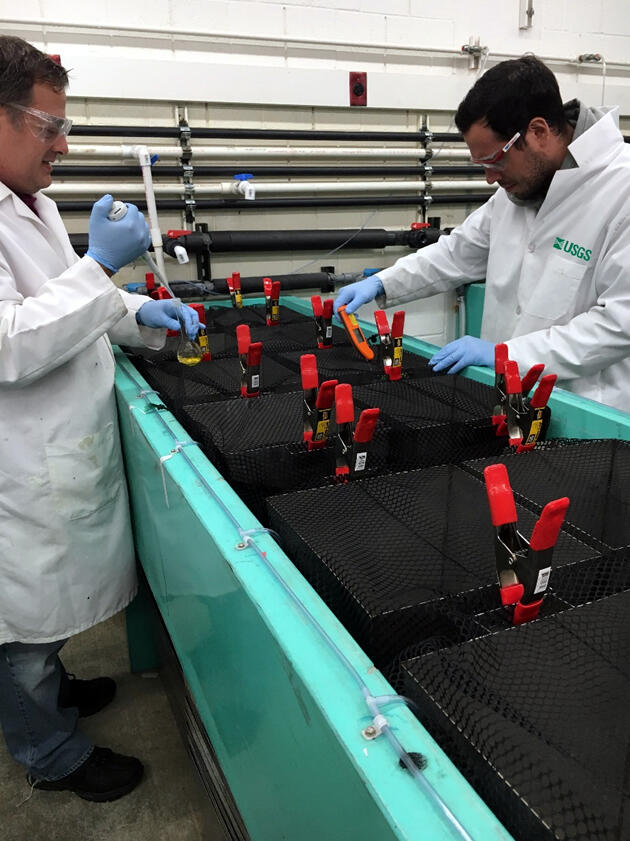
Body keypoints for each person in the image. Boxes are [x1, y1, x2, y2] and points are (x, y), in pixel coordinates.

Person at [0, 36, 200, 802]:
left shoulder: (36, 204)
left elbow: (77, 306)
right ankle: (48, 750)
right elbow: (13, 341)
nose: (63, 143)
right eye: (46, 127)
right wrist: (99, 267)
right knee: (17, 630)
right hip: (18, 464)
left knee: (38, 624)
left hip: (54, 451)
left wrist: (142, 307)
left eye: (63, 125)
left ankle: (48, 690)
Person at [335, 55, 630, 413]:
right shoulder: (518, 190)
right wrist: (383, 282)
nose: (490, 178)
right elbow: (456, 252)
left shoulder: (619, 190)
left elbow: (618, 324)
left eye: (495, 160)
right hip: (507, 401)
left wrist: (507, 354)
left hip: (586, 414)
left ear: (537, 132)